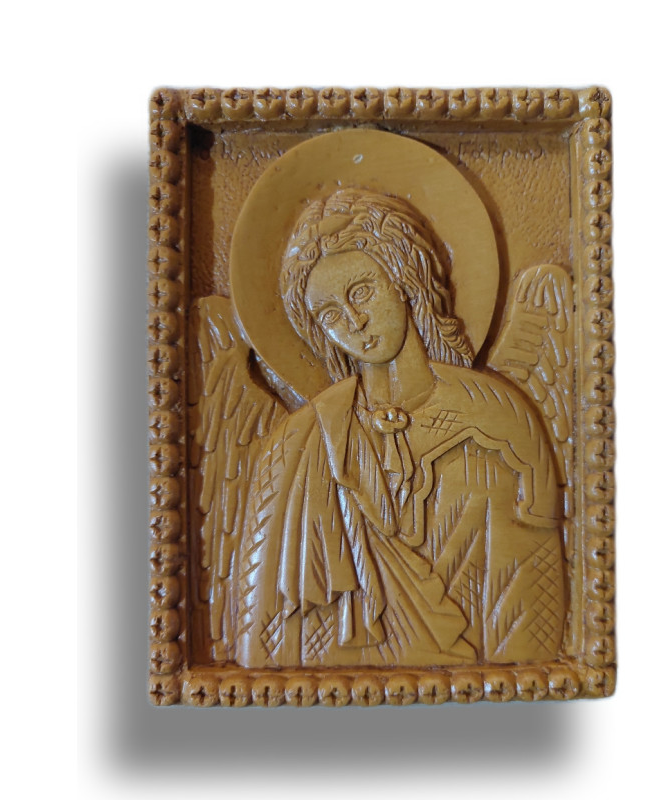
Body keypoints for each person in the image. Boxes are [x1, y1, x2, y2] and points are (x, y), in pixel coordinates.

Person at [235, 189, 565, 668]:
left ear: (403, 279)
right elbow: (264, 631)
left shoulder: (493, 414)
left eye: (361, 292)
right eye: (330, 314)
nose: (354, 322)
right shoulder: (302, 441)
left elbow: (533, 591)